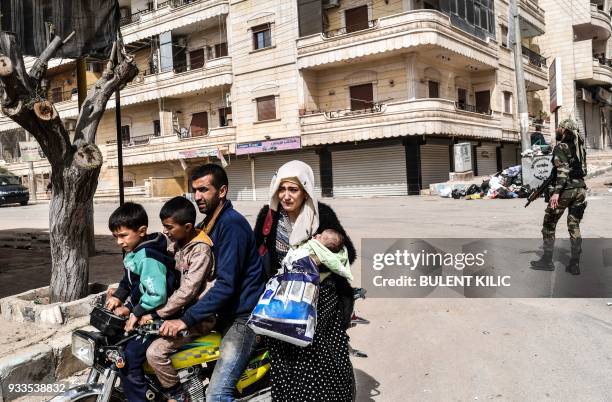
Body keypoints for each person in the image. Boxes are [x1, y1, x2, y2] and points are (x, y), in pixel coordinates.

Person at [158, 164, 265, 401]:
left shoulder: (231, 224)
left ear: (222, 190)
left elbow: (226, 285)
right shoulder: (207, 225)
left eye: (204, 190)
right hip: (218, 314)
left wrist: (184, 320)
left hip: (242, 318)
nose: (197, 197)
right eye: (194, 190)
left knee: (217, 394)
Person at [253, 160, 356, 402]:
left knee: (318, 352)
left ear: (306, 190)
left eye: (293, 190)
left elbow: (348, 253)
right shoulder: (268, 217)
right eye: (282, 189)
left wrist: (320, 259)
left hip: (321, 295)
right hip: (284, 296)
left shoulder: (322, 214)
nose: (286, 196)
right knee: (283, 354)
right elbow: (257, 256)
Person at [140, 196, 216, 402]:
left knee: (155, 353)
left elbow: (188, 290)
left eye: (169, 227)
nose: (165, 231)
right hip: (175, 313)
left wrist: (157, 313)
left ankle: (178, 395)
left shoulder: (201, 250)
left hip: (196, 318)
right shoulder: (177, 243)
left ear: (188, 226)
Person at [104, 202, 176, 402]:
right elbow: (131, 282)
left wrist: (134, 311)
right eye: (115, 237)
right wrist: (119, 297)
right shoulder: (135, 251)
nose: (119, 242)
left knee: (129, 358)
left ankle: (140, 397)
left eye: (123, 235)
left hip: (159, 315)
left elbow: (156, 294)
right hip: (146, 311)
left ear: (142, 231)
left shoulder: (147, 257)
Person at [530, 118, 588, 275]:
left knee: (549, 223)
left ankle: (547, 261)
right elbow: (583, 170)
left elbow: (562, 171)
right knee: (574, 226)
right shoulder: (580, 147)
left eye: (559, 127)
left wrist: (556, 193)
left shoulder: (560, 147)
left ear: (564, 130)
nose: (557, 129)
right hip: (580, 190)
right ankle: (575, 264)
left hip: (565, 191)